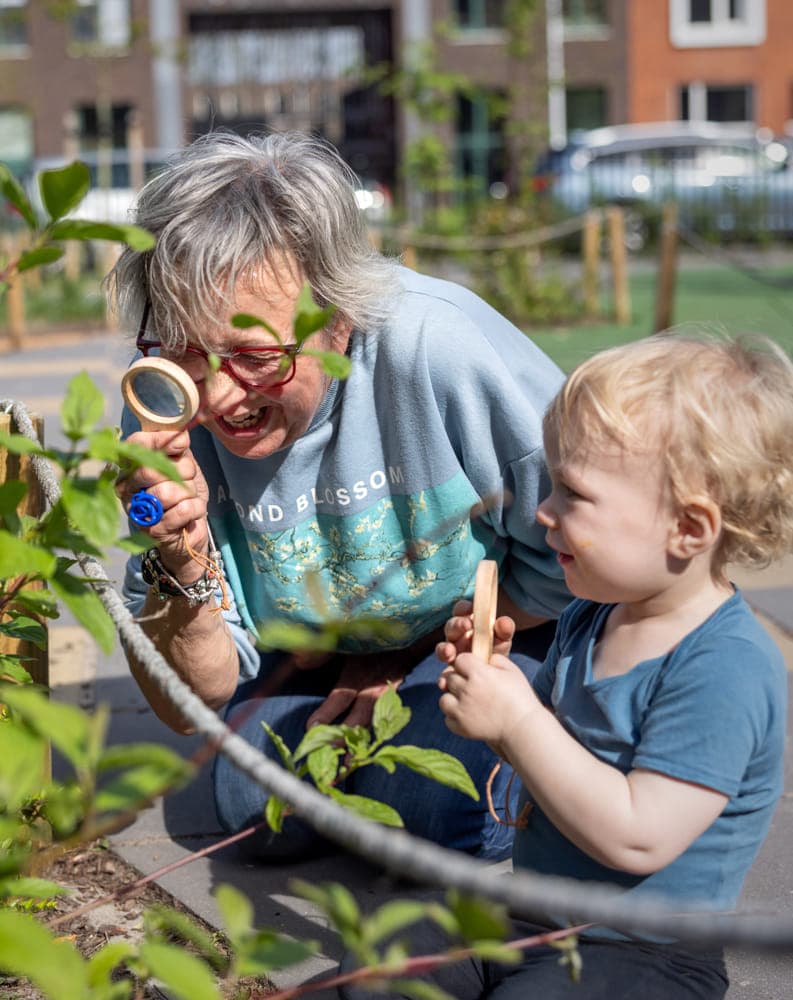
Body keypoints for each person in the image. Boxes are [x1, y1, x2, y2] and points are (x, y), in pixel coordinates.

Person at [108, 129, 571, 861]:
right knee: (251, 808)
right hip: (321, 652)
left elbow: (585, 545)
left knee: (441, 806)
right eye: (184, 348)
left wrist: (408, 655)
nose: (218, 397)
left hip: (509, 621)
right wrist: (180, 557)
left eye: (258, 356)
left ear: (340, 318)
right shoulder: (162, 404)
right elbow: (184, 701)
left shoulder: (437, 349)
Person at [345, 331, 793, 999]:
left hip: (645, 954)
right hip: (530, 914)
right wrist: (491, 687)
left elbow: (639, 838)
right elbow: (557, 750)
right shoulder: (592, 613)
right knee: (382, 961)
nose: (542, 512)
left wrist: (519, 720)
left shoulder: (723, 667)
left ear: (688, 530)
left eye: (572, 495)